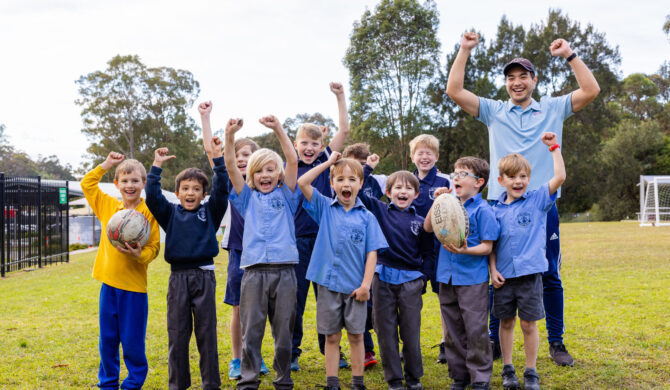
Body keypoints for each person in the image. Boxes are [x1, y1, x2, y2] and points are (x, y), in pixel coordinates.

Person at [446, 32, 600, 366]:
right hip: (498, 210)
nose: (517, 83)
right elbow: (454, 91)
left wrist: (570, 54)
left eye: (523, 77)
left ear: (534, 80)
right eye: (511, 78)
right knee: (495, 275)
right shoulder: (493, 111)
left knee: (549, 276)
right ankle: (495, 341)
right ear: (506, 84)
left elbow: (591, 90)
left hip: (541, 207)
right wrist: (464, 49)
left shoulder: (553, 108)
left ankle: (556, 343)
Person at [297, 153, 388, 390]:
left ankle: (358, 383)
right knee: (332, 337)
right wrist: (328, 163)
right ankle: (332, 383)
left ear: (360, 183)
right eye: (340, 179)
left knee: (357, 336)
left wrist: (366, 286)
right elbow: (302, 183)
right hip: (327, 285)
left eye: (351, 179)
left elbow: (372, 254)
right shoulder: (324, 208)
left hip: (355, 288)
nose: (346, 184)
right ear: (332, 184)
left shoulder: (367, 218)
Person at [145, 138, 229, 390]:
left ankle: (211, 384)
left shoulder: (211, 212)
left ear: (204, 194)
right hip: (178, 280)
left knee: (207, 336)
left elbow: (222, 188)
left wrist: (218, 161)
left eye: (196, 189)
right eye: (185, 188)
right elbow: (152, 196)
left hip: (204, 278)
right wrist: (156, 166)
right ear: (178, 192)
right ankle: (178, 385)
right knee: (178, 336)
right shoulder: (170, 213)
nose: (190, 192)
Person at [225, 115, 300, 390]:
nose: (265, 175)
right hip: (254, 273)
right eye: (259, 171)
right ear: (251, 176)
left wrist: (278, 129)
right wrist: (230, 135)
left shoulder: (288, 195)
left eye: (271, 170)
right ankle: (248, 380)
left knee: (283, 332)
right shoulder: (246, 198)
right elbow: (231, 165)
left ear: (278, 174)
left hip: (285, 272)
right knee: (251, 331)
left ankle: (283, 380)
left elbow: (292, 160)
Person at [489, 132, 566, 390]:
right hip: (503, 278)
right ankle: (508, 369)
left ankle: (531, 371)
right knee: (506, 322)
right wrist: (492, 270)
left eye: (523, 176)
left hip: (531, 276)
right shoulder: (494, 210)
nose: (518, 181)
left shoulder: (537, 201)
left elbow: (560, 177)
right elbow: (491, 245)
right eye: (511, 177)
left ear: (529, 179)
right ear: (501, 180)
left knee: (528, 324)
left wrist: (554, 148)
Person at [198, 101, 269, 380]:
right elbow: (211, 151)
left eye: (248, 155)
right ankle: (238, 360)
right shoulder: (228, 180)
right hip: (239, 251)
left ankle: (257, 356)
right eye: (238, 154)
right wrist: (206, 117)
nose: (242, 159)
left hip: (264, 253)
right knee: (239, 308)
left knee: (260, 310)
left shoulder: (264, 182)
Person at [81, 152, 160, 390]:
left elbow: (154, 248)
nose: (130, 185)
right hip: (109, 285)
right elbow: (87, 183)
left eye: (135, 181)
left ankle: (133, 383)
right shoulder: (107, 205)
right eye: (124, 181)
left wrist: (140, 255)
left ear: (143, 184)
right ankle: (107, 383)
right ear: (116, 184)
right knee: (107, 340)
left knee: (133, 342)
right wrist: (106, 164)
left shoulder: (149, 212)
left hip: (134, 289)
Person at [291, 82, 354, 371]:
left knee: (328, 300)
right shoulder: (289, 166)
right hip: (298, 241)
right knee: (296, 300)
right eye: (304, 143)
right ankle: (291, 352)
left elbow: (343, 130)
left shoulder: (326, 160)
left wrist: (340, 97)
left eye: (315, 144)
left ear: (321, 146)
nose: (309, 148)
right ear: (295, 144)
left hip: (327, 239)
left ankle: (332, 350)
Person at [360, 154, 434, 390]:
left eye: (409, 188)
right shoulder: (378, 211)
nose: (403, 191)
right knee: (385, 330)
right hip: (382, 278)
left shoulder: (422, 222)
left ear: (416, 194)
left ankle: (413, 378)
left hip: (412, 280)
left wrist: (424, 278)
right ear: (388, 192)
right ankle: (394, 379)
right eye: (398, 187)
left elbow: (429, 253)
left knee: (411, 332)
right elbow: (359, 189)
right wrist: (368, 167)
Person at [424, 157, 500, 390]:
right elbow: (428, 227)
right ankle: (459, 376)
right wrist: (438, 203)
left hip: (472, 279)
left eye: (463, 173)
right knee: (452, 329)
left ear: (479, 182)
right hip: (446, 276)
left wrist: (466, 249)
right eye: (455, 172)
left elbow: (488, 247)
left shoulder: (483, 210)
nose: (456, 176)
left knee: (475, 329)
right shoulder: (448, 203)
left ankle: (479, 377)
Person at [408, 134, 451, 363]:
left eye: (429, 153)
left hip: (439, 249)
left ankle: (447, 342)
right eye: (420, 153)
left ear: (436, 156)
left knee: (444, 297)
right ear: (412, 156)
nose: (424, 157)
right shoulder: (407, 181)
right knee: (411, 300)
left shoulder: (446, 181)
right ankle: (410, 345)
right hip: (413, 250)